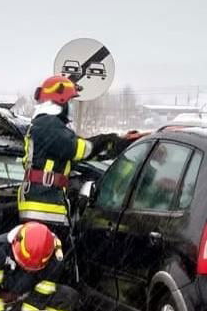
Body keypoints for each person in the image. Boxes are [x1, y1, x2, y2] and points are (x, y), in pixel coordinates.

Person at [18, 74, 137, 246]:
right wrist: (108, 140)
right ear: (61, 101)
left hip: (40, 203)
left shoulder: (42, 125)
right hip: (44, 206)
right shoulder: (49, 125)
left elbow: (80, 153)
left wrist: (116, 144)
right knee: (50, 261)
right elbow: (80, 149)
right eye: (70, 102)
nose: (71, 107)